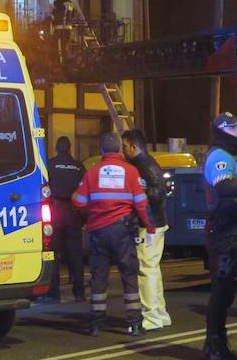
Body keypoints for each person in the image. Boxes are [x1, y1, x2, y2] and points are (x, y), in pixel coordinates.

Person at [73, 132, 155, 336]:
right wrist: (148, 225)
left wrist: (93, 210)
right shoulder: (130, 171)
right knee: (129, 275)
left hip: (98, 231)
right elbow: (141, 203)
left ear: (101, 150)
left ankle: (96, 324)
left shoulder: (92, 173)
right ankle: (135, 324)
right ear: (119, 150)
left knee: (98, 277)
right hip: (123, 231)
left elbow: (79, 202)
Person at [202, 112, 237, 360]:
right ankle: (216, 351)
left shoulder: (230, 156)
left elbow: (233, 199)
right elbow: (225, 189)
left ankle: (215, 346)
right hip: (222, 233)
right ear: (222, 130)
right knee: (222, 292)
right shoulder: (219, 156)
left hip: (230, 229)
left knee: (226, 292)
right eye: (233, 128)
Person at [122, 128, 171, 331]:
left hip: (148, 226)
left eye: (125, 146)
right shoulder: (146, 163)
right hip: (154, 224)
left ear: (134, 147)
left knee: (146, 270)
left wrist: (137, 189)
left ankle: (151, 317)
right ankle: (160, 313)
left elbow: (159, 192)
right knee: (152, 269)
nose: (123, 150)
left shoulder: (143, 165)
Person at [43, 136, 86, 303]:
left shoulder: (50, 164)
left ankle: (53, 293)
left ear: (56, 148)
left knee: (53, 254)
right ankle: (79, 292)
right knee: (76, 254)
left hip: (55, 212)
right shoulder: (78, 166)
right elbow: (85, 190)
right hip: (74, 212)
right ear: (69, 148)